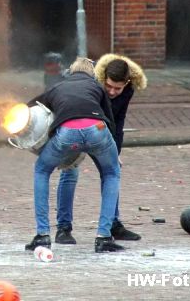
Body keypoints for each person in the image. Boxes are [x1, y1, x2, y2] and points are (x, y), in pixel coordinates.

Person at [24, 57, 125, 253]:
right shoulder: (97, 87)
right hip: (97, 129)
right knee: (111, 173)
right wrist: (114, 152)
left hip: (67, 133)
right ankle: (104, 237)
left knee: (42, 170)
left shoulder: (58, 87)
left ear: (70, 72)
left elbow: (29, 108)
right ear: (92, 75)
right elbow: (110, 120)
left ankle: (42, 235)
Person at [55, 54, 147, 244]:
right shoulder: (90, 83)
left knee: (111, 171)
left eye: (118, 88)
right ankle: (63, 228)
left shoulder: (128, 90)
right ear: (103, 77)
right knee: (69, 173)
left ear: (127, 83)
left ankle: (113, 224)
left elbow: (118, 120)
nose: (112, 92)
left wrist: (116, 151)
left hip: (102, 131)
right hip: (76, 126)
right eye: (109, 86)